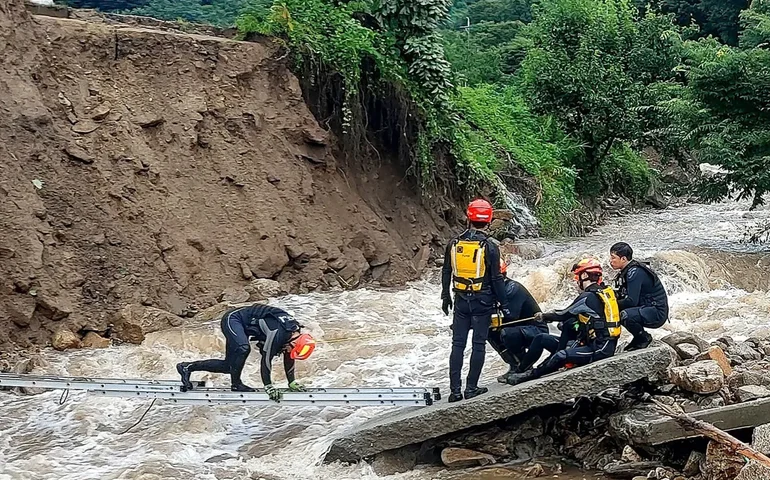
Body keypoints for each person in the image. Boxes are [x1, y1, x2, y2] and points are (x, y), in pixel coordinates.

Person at [505, 258, 621, 386]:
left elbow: (563, 314)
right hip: (587, 342)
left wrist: (543, 316)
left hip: (599, 349)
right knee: (541, 338)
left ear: (584, 275)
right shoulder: (602, 293)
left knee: (561, 355)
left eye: (577, 276)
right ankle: (521, 370)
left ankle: (530, 375)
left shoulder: (587, 297)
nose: (576, 281)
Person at [441, 198, 512, 403]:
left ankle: (455, 391)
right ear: (488, 220)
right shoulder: (489, 246)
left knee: (458, 345)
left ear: (469, 218)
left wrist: (445, 296)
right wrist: (504, 304)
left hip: (460, 299)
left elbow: (447, 271)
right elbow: (497, 279)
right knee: (478, 344)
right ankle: (471, 387)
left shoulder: (453, 243)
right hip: (482, 300)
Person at [176, 303, 316, 401]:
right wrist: (268, 386)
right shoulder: (278, 334)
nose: (288, 352)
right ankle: (236, 384)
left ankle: (186, 367)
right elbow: (266, 360)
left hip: (245, 325)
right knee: (243, 348)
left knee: (229, 367)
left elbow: (289, 357)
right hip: (234, 319)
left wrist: (291, 382)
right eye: (291, 349)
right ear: (294, 342)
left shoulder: (294, 334)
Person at [488, 259, 546, 384]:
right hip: (519, 328)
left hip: (535, 330)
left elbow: (511, 317)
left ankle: (524, 365)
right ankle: (514, 365)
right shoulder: (495, 290)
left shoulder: (512, 288)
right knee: (489, 332)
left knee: (506, 333)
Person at [609, 242, 669, 351]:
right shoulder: (626, 271)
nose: (610, 261)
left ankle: (643, 338)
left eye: (613, 258)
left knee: (624, 315)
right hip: (646, 307)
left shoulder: (634, 272)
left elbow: (632, 301)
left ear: (623, 259)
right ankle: (637, 337)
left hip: (656, 312)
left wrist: (610, 305)